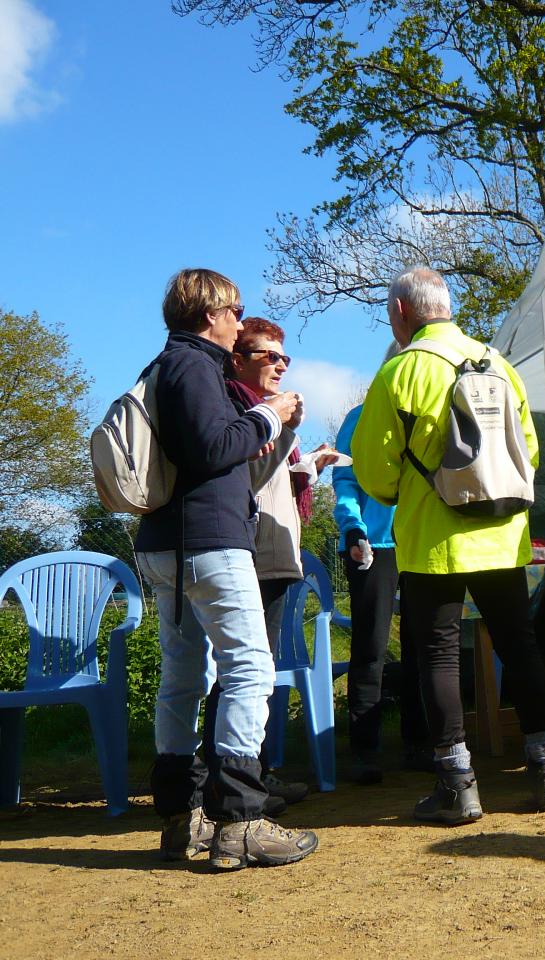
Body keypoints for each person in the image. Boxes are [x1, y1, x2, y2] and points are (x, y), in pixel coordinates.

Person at [352, 266, 545, 824]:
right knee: (520, 647)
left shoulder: (400, 372)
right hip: (503, 534)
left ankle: (457, 782)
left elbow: (374, 475)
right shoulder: (499, 363)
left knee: (439, 654)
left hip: (433, 538)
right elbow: (531, 455)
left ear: (401, 313)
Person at [134, 268, 318, 869]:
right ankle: (241, 819)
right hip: (207, 542)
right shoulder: (194, 367)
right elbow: (214, 449)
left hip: (170, 544)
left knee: (182, 678)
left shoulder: (165, 367)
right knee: (250, 669)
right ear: (209, 311)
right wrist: (269, 415)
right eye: (236, 310)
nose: (240, 323)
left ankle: (180, 817)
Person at [199, 317, 338, 812]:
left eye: (285, 357)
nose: (280, 364)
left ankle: (252, 772)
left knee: (256, 672)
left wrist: (307, 466)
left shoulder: (262, 410)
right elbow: (246, 480)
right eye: (268, 355)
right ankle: (225, 783)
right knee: (240, 672)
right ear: (237, 359)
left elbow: (274, 481)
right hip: (248, 554)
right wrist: (282, 426)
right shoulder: (239, 409)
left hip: (275, 554)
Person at [333, 347, 430, 784]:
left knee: (423, 643)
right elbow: (345, 481)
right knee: (370, 645)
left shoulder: (431, 412)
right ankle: (365, 750)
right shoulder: (362, 416)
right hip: (372, 545)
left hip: (422, 538)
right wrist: (354, 529)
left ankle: (420, 741)